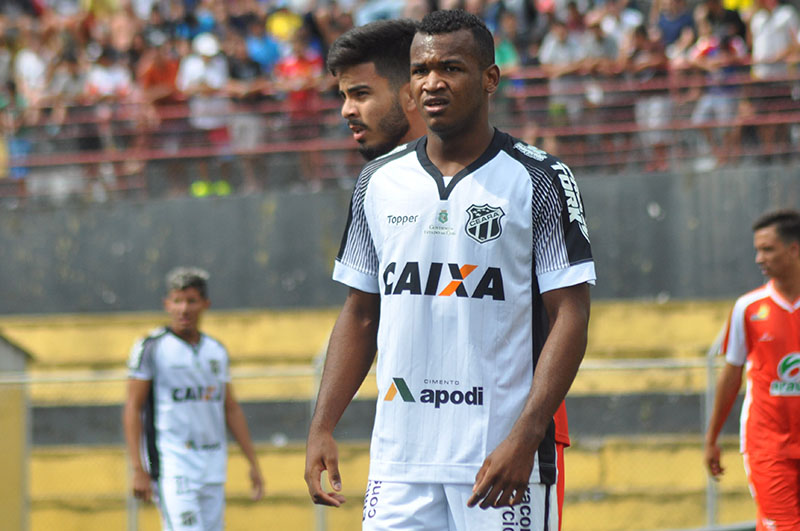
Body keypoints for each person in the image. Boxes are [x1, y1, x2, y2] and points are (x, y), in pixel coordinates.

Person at [305, 9, 594, 530]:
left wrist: (526, 435)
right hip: (399, 464)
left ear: (489, 79)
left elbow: (571, 315)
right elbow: (360, 314)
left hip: (499, 460)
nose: (432, 81)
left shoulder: (541, 179)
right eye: (421, 70)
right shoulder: (377, 181)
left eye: (451, 68)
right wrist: (322, 425)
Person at [123, 267, 264, 531]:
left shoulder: (216, 350)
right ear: (167, 304)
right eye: (177, 301)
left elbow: (230, 408)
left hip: (212, 466)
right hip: (173, 465)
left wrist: (252, 463)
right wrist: (138, 468)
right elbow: (133, 407)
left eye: (191, 301)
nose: (183, 309)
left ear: (205, 304)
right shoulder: (151, 348)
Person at [705, 209, 800, 530]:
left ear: (794, 249)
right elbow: (731, 376)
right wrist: (712, 437)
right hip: (768, 444)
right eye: (757, 250)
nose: (759, 258)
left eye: (767, 249)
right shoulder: (748, 308)